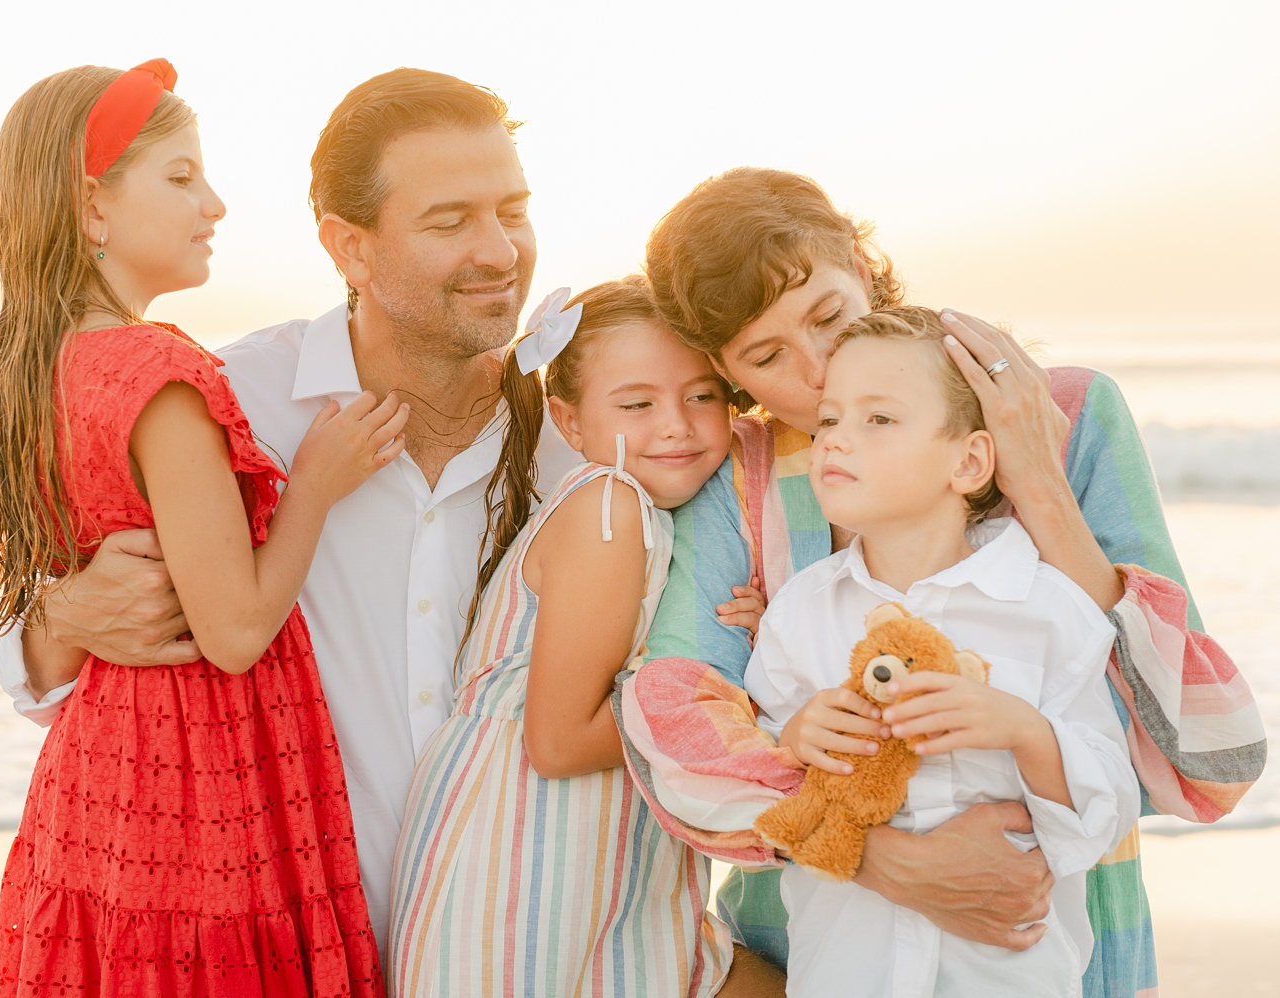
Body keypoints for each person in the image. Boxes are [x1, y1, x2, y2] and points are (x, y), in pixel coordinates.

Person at [614, 168, 1266, 998]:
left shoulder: (1061, 413)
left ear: (859, 260)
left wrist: (1038, 484)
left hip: (1051, 944)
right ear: (727, 369)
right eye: (766, 355)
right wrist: (890, 861)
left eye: (827, 314)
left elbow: (1206, 764)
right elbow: (674, 730)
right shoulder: (744, 474)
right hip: (818, 953)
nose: (818, 373)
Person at [0, 61, 406, 995]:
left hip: (102, 775)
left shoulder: (45, 363)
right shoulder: (161, 374)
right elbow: (237, 631)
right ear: (92, 208)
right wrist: (317, 487)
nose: (213, 204)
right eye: (179, 177)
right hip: (199, 777)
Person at [747, 306, 1139, 996]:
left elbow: (1109, 810)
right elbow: (766, 783)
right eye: (830, 420)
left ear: (968, 461)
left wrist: (1026, 731)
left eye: (879, 420)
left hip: (1009, 975)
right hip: (846, 972)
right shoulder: (800, 614)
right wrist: (797, 735)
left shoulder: (1046, 609)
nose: (836, 441)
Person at [389, 279, 749, 996]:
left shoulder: (639, 508)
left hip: (590, 841)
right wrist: (742, 702)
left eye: (704, 394)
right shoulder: (607, 506)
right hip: (528, 846)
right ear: (570, 420)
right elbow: (556, 743)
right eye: (638, 403)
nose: (676, 424)